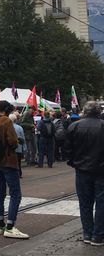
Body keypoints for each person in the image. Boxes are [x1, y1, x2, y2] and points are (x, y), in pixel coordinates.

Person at [64, 101, 104, 246]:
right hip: (101, 170)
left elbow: (67, 149)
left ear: (85, 111)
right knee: (101, 203)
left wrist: (73, 162)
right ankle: (98, 235)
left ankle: (87, 233)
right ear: (99, 111)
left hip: (82, 169)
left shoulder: (74, 126)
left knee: (85, 203)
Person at [0, 101, 29, 239]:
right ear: (6, 110)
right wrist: (17, 141)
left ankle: (0, 225)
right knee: (15, 194)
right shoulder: (6, 121)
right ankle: (10, 226)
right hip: (8, 160)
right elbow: (12, 141)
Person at [10, 112, 26, 178]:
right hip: (18, 147)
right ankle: (19, 173)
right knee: (18, 162)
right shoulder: (19, 128)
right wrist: (24, 148)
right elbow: (23, 138)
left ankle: (12, 173)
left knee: (11, 162)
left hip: (11, 148)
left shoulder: (8, 127)